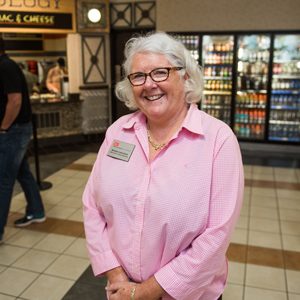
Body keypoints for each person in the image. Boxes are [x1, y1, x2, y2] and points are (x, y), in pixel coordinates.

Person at [82, 32, 244, 300]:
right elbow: (91, 204)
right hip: (122, 289)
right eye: (139, 76)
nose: (149, 85)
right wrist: (116, 275)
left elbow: (217, 236)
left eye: (160, 72)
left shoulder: (218, 140)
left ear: (186, 77)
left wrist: (145, 292)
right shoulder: (117, 133)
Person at [0, 38, 46, 244]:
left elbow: (15, 100)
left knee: (3, 180)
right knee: (22, 172)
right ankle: (36, 211)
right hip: (15, 130)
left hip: (14, 130)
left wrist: (3, 127)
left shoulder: (5, 66)